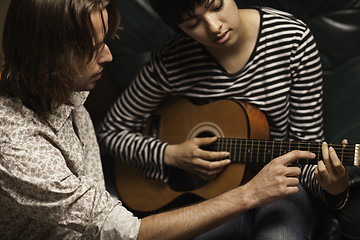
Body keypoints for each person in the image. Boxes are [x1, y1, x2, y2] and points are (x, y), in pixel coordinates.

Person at [0, 1, 348, 240]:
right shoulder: (171, 62)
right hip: (214, 197)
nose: (213, 27)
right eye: (191, 22)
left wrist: (334, 190)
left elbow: (307, 160)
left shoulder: (291, 40)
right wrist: (172, 155)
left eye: (215, 5)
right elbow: (123, 223)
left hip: (280, 188)